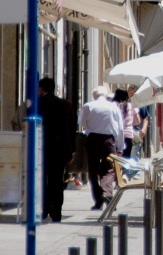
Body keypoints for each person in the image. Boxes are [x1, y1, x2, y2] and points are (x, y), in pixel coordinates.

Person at [80, 86, 125, 210]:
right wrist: (120, 146)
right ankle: (107, 194)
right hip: (108, 141)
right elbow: (120, 129)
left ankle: (98, 200)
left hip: (92, 139)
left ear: (94, 95)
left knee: (93, 170)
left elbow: (82, 123)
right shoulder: (113, 107)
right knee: (109, 169)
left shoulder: (88, 106)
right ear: (106, 95)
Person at [39, 77, 76, 222]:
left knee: (42, 179)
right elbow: (71, 129)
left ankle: (45, 207)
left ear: (41, 89)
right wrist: (71, 151)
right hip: (60, 149)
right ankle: (57, 211)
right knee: (57, 180)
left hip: (42, 148)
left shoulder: (38, 104)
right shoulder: (65, 105)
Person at [113, 88, 138, 157]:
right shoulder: (131, 106)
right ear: (126, 96)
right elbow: (137, 121)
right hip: (128, 135)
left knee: (115, 159)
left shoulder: (113, 106)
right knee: (126, 159)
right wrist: (129, 123)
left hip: (116, 135)